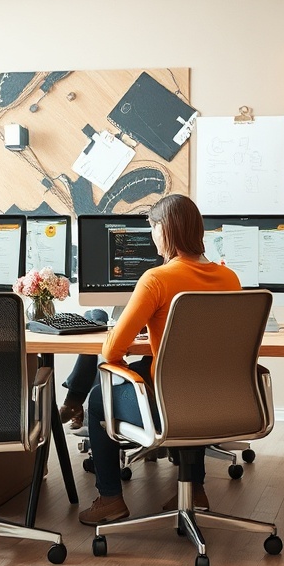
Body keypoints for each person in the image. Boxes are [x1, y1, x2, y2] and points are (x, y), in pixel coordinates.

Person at [77, 194, 241, 526]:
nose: (151, 234)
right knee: (186, 383)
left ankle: (110, 499)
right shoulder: (230, 279)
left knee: (98, 397)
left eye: (152, 227)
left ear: (164, 230)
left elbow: (111, 352)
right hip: (219, 398)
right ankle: (194, 488)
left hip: (168, 401)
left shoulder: (157, 279)